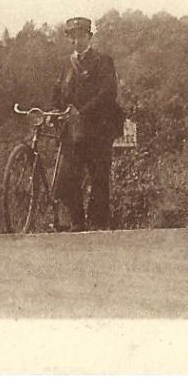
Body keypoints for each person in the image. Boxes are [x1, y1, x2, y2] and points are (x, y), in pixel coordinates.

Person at [50, 16, 124, 231]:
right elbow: (57, 94)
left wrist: (82, 112)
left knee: (99, 178)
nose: (76, 41)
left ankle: (98, 224)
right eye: (72, 37)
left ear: (89, 37)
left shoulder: (103, 61)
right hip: (74, 131)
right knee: (69, 176)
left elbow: (108, 93)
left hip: (99, 129)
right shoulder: (65, 65)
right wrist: (55, 111)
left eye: (81, 36)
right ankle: (77, 222)